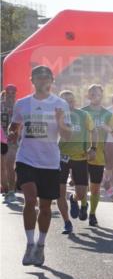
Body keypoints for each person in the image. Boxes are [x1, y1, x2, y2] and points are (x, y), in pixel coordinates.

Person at [8, 66, 72, 266]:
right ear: (32, 81)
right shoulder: (22, 104)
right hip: (26, 158)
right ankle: (29, 244)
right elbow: (14, 125)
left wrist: (60, 122)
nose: (43, 81)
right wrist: (13, 133)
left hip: (50, 162)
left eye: (46, 78)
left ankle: (41, 245)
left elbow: (68, 136)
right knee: (29, 200)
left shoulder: (60, 104)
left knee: (45, 208)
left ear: (52, 81)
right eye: (39, 78)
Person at [55, 90, 93, 235]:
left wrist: (93, 148)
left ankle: (74, 198)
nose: (68, 103)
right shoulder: (56, 115)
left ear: (75, 101)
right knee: (60, 191)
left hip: (80, 157)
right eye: (65, 101)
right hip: (61, 156)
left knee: (82, 194)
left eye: (71, 100)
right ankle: (67, 222)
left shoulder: (83, 115)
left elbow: (93, 131)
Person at [81, 85, 113, 227]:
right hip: (82, 154)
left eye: (97, 94)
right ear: (88, 95)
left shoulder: (107, 114)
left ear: (101, 96)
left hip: (98, 155)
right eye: (92, 93)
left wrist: (107, 128)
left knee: (95, 188)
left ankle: (92, 214)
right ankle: (83, 205)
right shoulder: (82, 112)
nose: (95, 96)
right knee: (83, 186)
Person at [2, 83, 18, 201]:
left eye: (13, 93)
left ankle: (12, 190)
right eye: (9, 93)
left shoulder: (19, 106)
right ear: (5, 93)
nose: (10, 95)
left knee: (10, 164)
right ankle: (6, 188)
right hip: (1, 138)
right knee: (2, 166)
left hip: (13, 139)